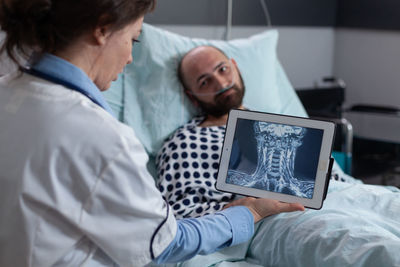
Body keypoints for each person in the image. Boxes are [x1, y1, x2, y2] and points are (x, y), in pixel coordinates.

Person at [0, 1, 305, 266]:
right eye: (133, 39)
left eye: (223, 69)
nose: (130, 57)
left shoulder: (7, 92)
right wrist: (249, 210)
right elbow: (166, 243)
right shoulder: (101, 137)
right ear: (103, 29)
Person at [156, 45, 352, 219]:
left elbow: (341, 183)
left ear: (236, 66)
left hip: (338, 203)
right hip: (269, 222)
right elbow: (175, 214)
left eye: (223, 70)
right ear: (193, 97)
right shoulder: (186, 142)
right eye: (205, 82)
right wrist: (238, 208)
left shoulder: (283, 126)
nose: (222, 84)